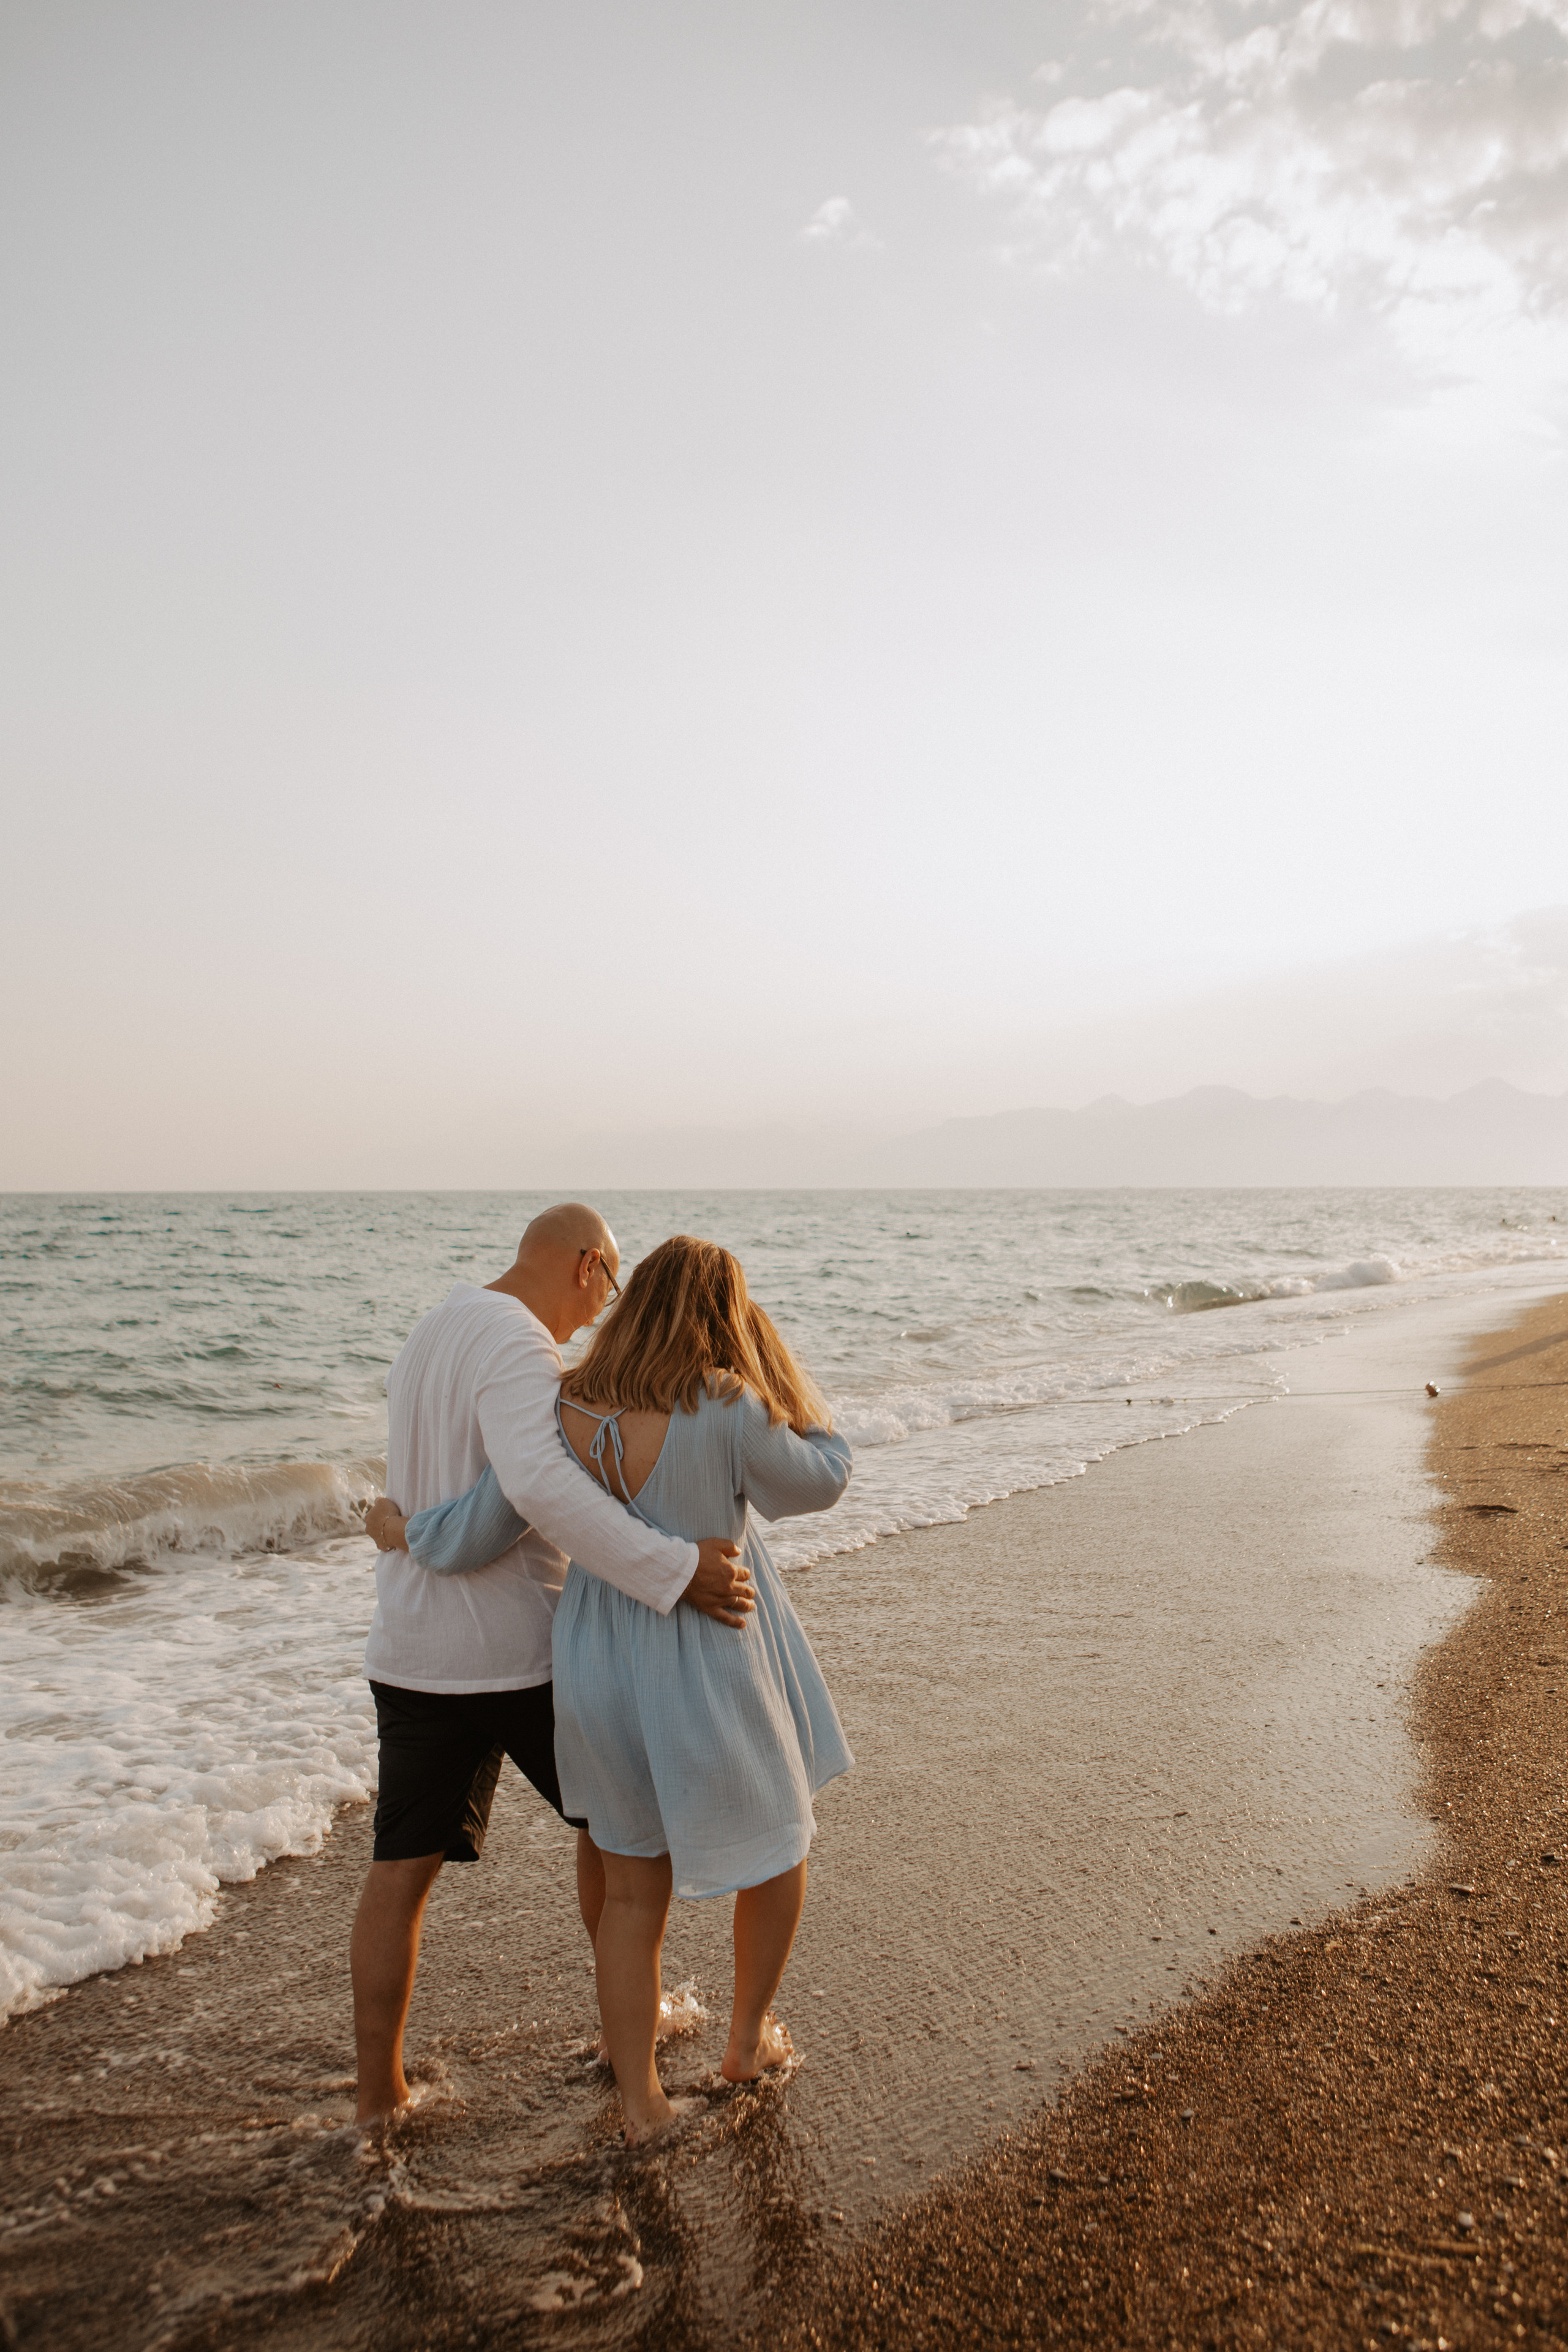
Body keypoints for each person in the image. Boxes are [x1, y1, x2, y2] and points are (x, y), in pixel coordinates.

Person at [371, 1234, 853, 2144]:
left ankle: (639, 2102)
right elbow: (824, 1475)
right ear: (726, 1316)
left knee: (633, 1891)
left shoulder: (566, 1407)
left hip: (591, 1667)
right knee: (781, 1846)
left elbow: (477, 1528)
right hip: (704, 1654)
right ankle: (745, 2043)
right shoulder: (727, 1401)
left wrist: (403, 1531)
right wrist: (773, 1361)